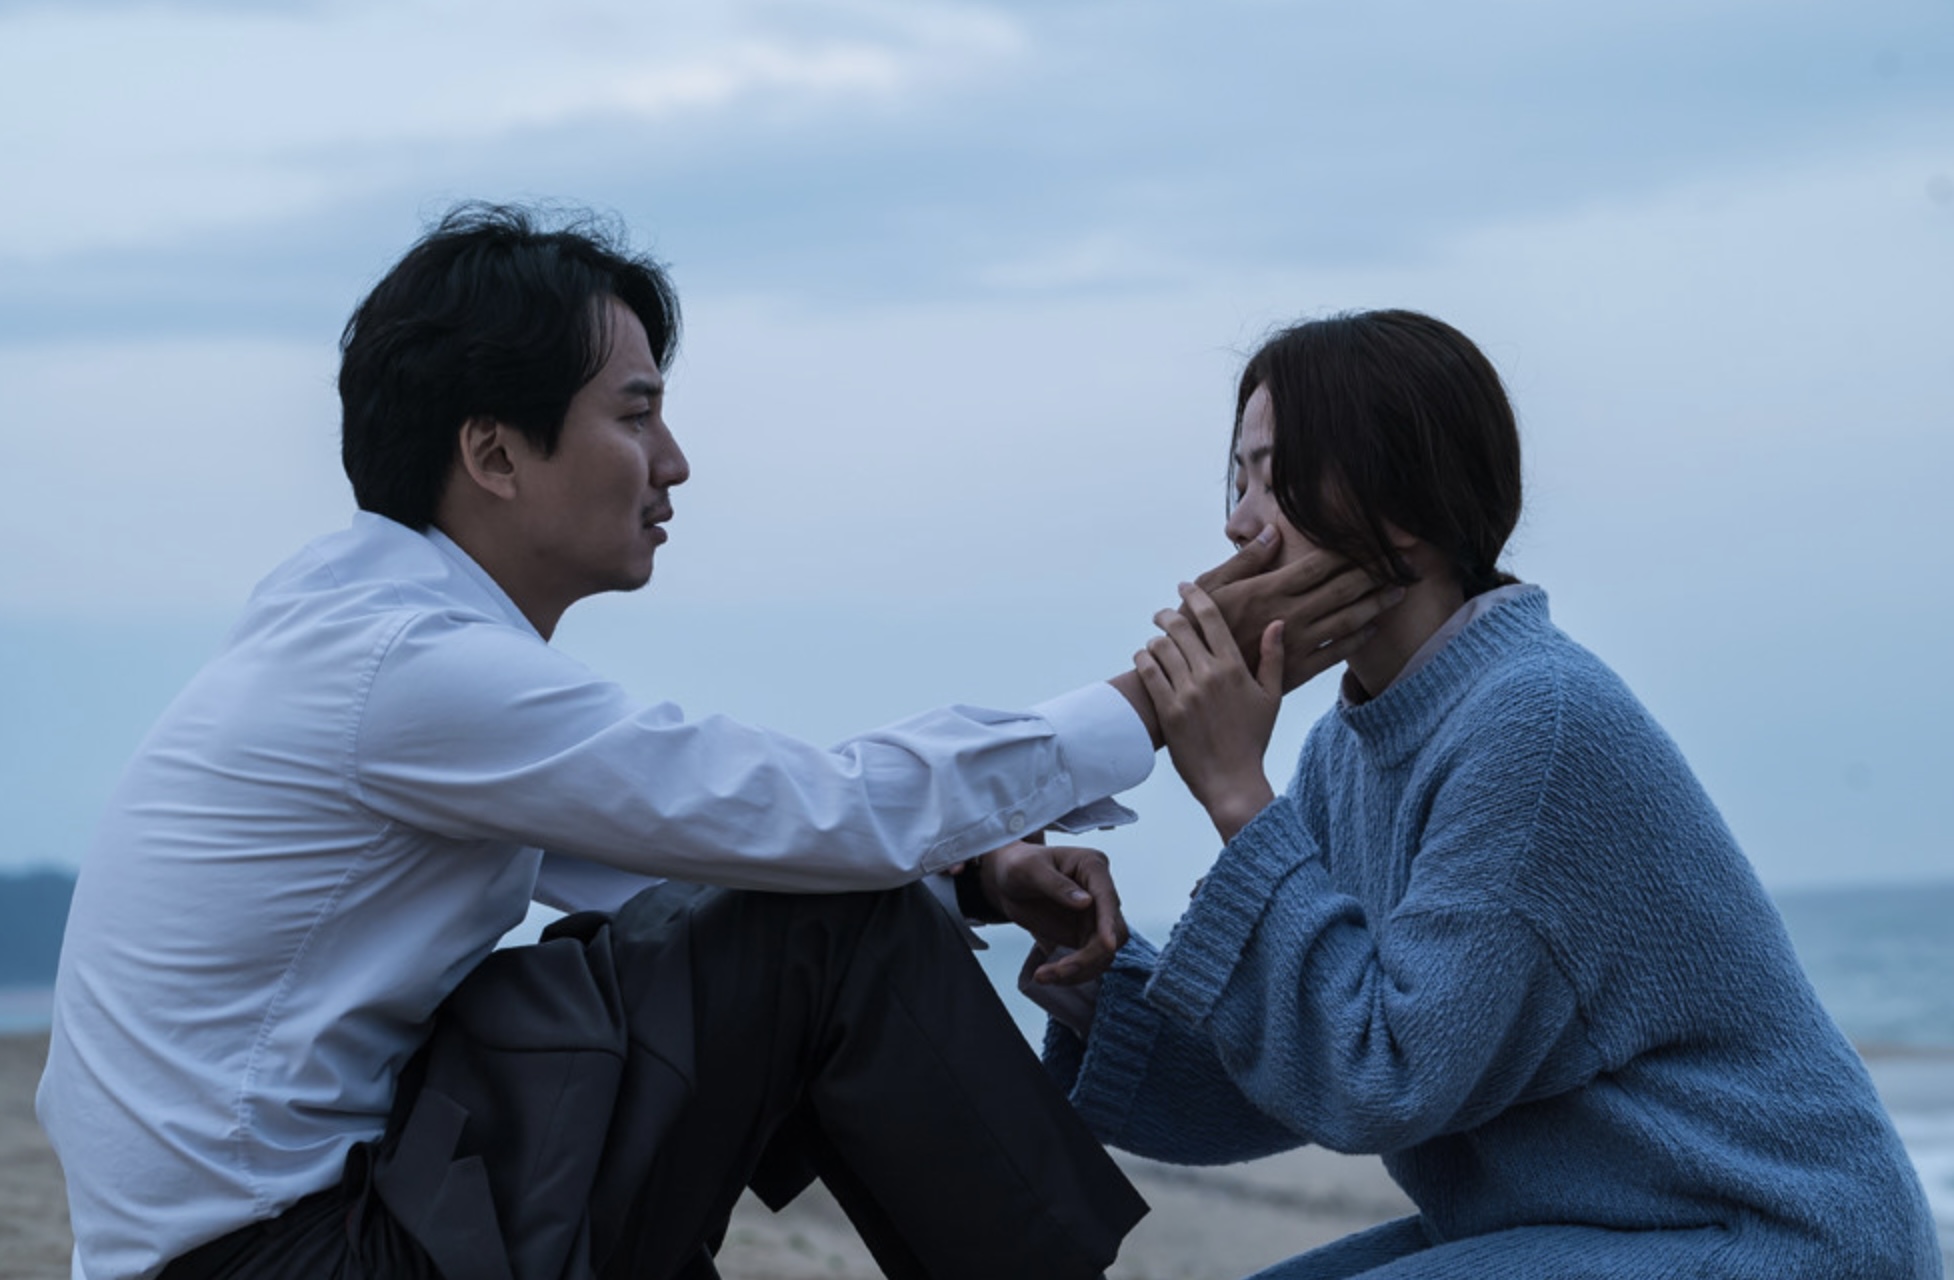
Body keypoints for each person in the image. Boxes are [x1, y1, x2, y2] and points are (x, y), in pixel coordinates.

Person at [35, 204, 1397, 1280]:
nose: (673, 460)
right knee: (821, 922)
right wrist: (1154, 700)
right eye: (634, 414)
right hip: (294, 1256)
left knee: (796, 909)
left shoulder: (371, 640)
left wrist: (975, 878)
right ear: (493, 454)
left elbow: (710, 853)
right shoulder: (406, 671)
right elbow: (814, 814)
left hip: (315, 1221)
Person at [1036, 309, 1942, 1278]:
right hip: (1601, 1222)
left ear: (1405, 508)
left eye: (1278, 477)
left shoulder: (1534, 724)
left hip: (1771, 1234)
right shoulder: (1351, 748)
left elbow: (1384, 1076)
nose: (1239, 522)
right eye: (1240, 478)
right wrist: (1096, 978)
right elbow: (1293, 1075)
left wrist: (1236, 796)